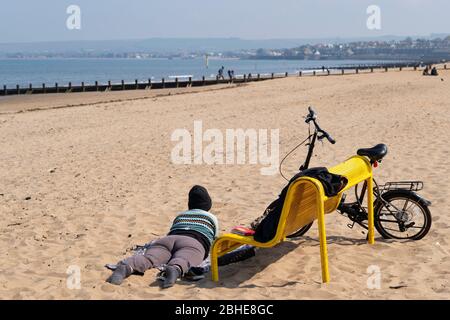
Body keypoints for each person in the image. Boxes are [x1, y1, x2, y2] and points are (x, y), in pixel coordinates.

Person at [106, 185, 218, 288]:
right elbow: (212, 239)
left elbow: (173, 229)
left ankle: (127, 266)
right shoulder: (212, 218)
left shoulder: (181, 215)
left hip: (167, 240)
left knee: (149, 258)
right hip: (192, 242)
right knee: (184, 257)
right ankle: (175, 268)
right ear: (208, 204)